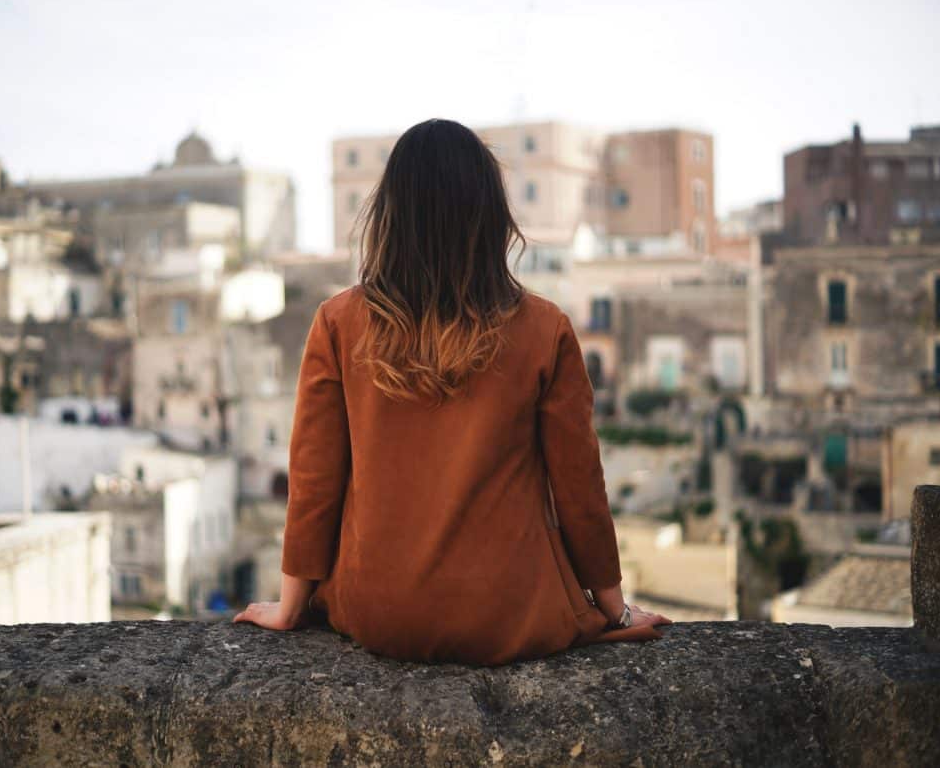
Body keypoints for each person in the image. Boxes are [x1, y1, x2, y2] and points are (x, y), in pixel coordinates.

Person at [234, 118, 671, 665]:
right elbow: (579, 485)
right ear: (490, 215)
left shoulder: (338, 322)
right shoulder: (545, 327)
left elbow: (315, 484)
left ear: (389, 214)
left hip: (380, 612)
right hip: (512, 613)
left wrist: (289, 606)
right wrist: (614, 609)